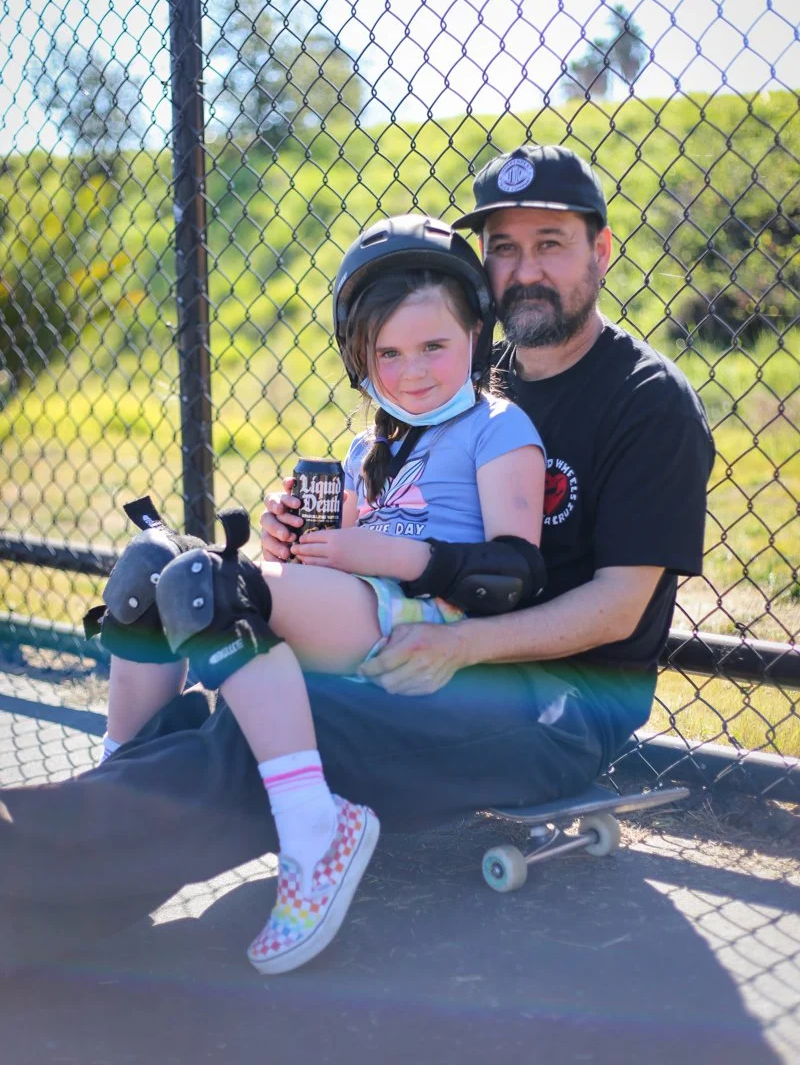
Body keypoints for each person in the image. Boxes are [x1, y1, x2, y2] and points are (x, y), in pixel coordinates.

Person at [0, 144, 714, 975]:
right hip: (415, 638)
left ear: (601, 249)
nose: (525, 269)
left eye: (550, 243)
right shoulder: (451, 363)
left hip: (555, 705)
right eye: (506, 248)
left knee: (269, 736)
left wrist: (462, 644)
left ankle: (30, 866)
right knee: (234, 684)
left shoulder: (645, 400)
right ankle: (39, 898)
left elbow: (620, 607)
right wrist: (309, 546)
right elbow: (389, 514)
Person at [83, 214, 547, 975]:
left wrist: (374, 552)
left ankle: (316, 832)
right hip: (362, 603)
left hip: (432, 624)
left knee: (218, 588)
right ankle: (112, 810)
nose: (414, 372)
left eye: (434, 346)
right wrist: (292, 542)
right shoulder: (373, 445)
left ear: (478, 334)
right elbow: (339, 559)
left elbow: (513, 575)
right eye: (388, 354)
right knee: (153, 573)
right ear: (358, 357)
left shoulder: (499, 426)